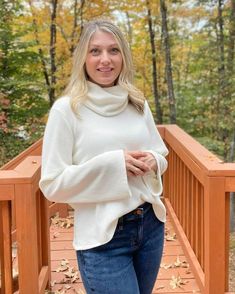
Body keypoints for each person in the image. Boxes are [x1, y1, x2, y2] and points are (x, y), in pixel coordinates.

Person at [39, 19, 168, 294]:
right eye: (95, 51)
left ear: (124, 56)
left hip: (150, 225)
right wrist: (113, 164)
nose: (105, 60)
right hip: (103, 238)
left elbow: (160, 152)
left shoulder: (137, 102)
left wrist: (155, 162)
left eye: (114, 50)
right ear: (83, 58)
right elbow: (52, 184)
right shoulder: (66, 110)